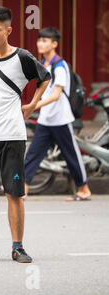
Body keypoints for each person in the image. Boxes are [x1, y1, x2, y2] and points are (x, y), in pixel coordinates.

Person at [0, 7, 51, 263]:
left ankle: (18, 246)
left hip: (12, 135)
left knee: (14, 193)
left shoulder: (23, 57)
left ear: (8, 30)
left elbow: (44, 79)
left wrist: (32, 105)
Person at [24, 27, 91, 201]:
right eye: (40, 40)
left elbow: (55, 95)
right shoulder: (44, 64)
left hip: (61, 118)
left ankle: (83, 188)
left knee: (71, 154)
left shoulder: (60, 66)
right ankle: (22, 187)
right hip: (46, 119)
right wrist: (35, 104)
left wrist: (33, 105)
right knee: (33, 153)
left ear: (54, 44)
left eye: (45, 41)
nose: (40, 43)